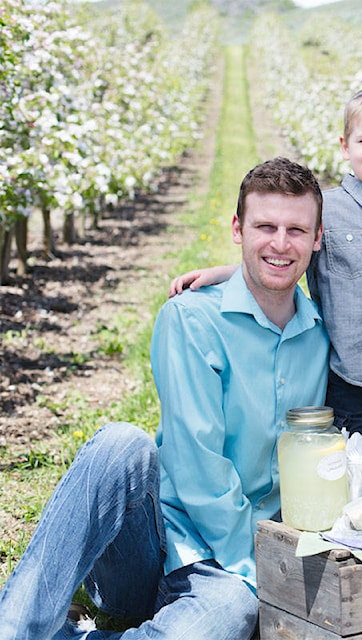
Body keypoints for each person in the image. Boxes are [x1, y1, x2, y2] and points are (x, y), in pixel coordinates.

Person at [0, 157, 331, 639]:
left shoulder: (323, 333)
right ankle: (14, 628)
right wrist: (259, 570)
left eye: (297, 230)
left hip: (225, 573)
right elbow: (199, 467)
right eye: (266, 226)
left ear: (318, 238)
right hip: (155, 545)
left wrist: (250, 577)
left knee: (230, 613)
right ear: (238, 228)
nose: (281, 244)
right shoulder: (191, 320)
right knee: (121, 443)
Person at [170, 86, 362, 480]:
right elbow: (283, 260)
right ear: (345, 146)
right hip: (355, 383)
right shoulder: (327, 212)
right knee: (358, 483)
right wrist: (219, 273)